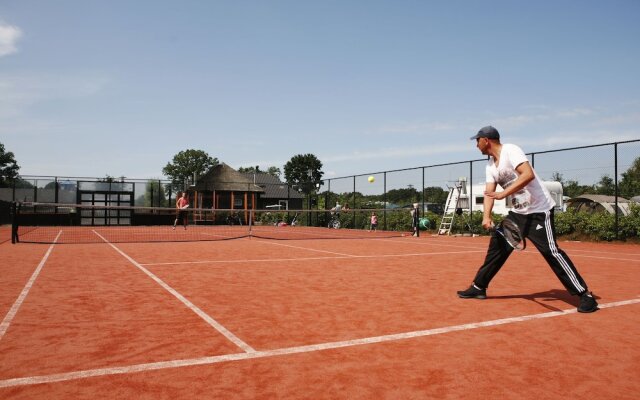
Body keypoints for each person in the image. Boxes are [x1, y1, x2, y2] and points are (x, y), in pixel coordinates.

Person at [457, 126, 598, 313]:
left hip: (539, 211)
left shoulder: (511, 150)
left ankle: (584, 295)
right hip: (518, 213)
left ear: (486, 140)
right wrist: (486, 216)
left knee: (551, 252)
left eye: (477, 141)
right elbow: (489, 193)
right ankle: (478, 287)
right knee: (497, 246)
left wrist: (504, 193)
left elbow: (527, 174)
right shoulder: (491, 165)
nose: (476, 145)